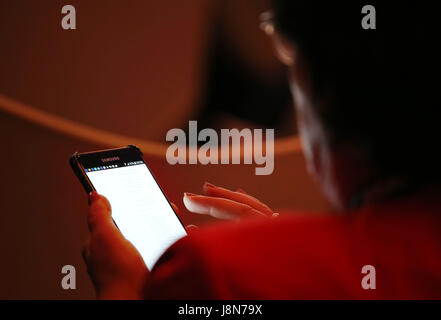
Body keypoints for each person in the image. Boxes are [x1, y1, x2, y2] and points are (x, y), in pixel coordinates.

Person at [82, 1, 441, 299]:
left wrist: (122, 288)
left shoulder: (207, 271)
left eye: (292, 64)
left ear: (323, 92)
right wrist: (295, 253)